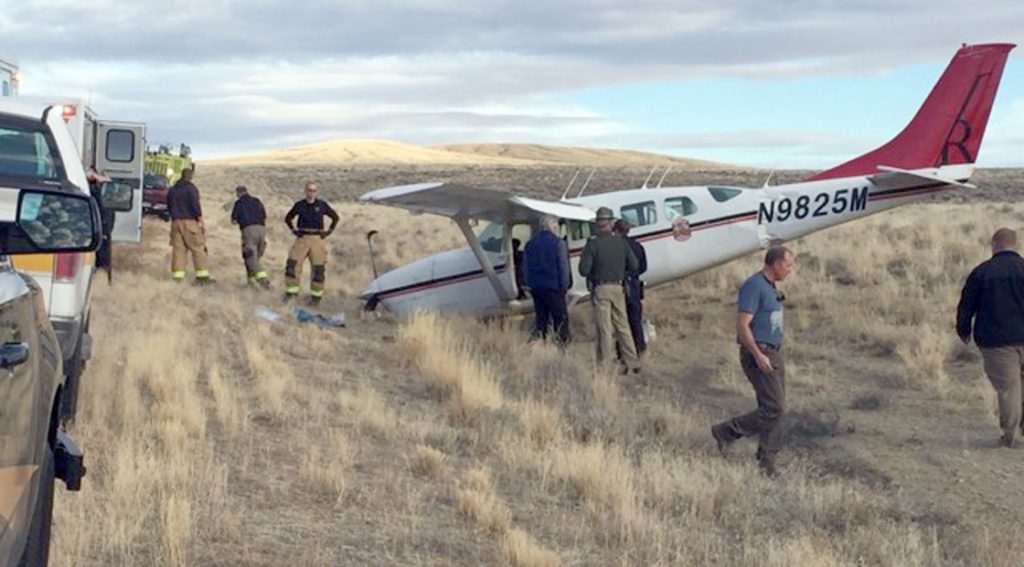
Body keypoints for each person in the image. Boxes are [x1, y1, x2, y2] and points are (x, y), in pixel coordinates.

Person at [711, 246, 796, 476]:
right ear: (776, 263)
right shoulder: (754, 286)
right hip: (759, 352)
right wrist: (758, 355)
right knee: (774, 408)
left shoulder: (770, 287)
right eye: (788, 265)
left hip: (772, 351)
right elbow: (742, 324)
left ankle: (766, 461)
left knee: (776, 409)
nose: (790, 270)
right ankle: (726, 432)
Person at [956, 228, 1024, 448]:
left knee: (1009, 388)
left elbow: (967, 305)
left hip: (996, 342)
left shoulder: (982, 272)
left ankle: (1010, 436)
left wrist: (963, 329)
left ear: (994, 244)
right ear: (1016, 245)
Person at [579, 206, 640, 373]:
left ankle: (606, 364)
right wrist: (621, 272)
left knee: (604, 327)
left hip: (601, 288)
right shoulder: (621, 243)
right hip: (618, 287)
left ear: (597, 224)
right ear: (611, 223)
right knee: (623, 325)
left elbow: (583, 270)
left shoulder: (592, 244)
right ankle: (633, 361)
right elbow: (635, 265)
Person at [284, 182, 339, 303]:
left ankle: (316, 298)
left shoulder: (322, 205)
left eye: (314, 190)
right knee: (292, 265)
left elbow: (335, 217)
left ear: (317, 192)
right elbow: (288, 218)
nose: (311, 193)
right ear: (305, 191)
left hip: (317, 239)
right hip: (302, 238)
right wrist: (294, 230)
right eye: (309, 190)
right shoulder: (299, 205)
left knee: (318, 269)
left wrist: (328, 232)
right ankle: (291, 294)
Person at [524, 215, 571, 345]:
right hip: (554, 287)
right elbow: (563, 266)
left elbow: (525, 268)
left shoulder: (530, 244)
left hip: (537, 288)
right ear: (552, 226)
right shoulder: (558, 243)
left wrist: (529, 285)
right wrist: (565, 286)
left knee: (541, 319)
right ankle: (561, 346)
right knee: (560, 319)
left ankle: (542, 344)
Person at [165, 167, 213, 284]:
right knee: (198, 248)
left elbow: (168, 205)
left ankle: (178, 277)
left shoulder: (173, 189)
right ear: (190, 176)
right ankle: (202, 277)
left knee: (178, 250)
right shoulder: (191, 188)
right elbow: (195, 204)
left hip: (175, 222)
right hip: (190, 222)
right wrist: (200, 220)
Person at [614, 219, 648, 356]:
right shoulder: (638, 246)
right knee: (636, 318)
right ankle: (640, 346)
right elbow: (644, 267)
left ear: (616, 231)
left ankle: (623, 351)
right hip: (634, 284)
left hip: (621, 285)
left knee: (620, 320)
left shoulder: (616, 247)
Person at [230, 185, 270, 288]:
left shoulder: (239, 203)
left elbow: (234, 221)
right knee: (256, 256)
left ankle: (262, 279)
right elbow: (264, 216)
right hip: (262, 230)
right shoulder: (257, 201)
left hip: (248, 230)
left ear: (238, 193)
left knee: (250, 256)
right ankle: (251, 282)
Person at [86, 167, 114, 279]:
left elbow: (109, 183)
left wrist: (97, 177)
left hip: (103, 229)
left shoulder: (102, 192)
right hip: (98, 229)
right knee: (102, 259)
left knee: (103, 259)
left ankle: (103, 279)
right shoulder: (91, 191)